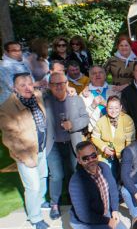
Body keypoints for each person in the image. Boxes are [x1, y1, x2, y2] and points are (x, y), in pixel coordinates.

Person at [0, 73, 49, 229]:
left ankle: (41, 201)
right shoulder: (7, 108)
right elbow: (9, 137)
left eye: (29, 84)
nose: (28, 88)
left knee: (42, 177)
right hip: (26, 153)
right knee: (32, 186)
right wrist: (24, 157)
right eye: (22, 85)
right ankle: (35, 218)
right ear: (15, 88)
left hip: (41, 147)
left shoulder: (37, 96)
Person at [44, 72, 89, 219]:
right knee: (56, 176)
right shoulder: (45, 101)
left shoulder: (76, 100)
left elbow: (85, 119)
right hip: (53, 145)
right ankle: (54, 204)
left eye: (61, 83)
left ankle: (73, 201)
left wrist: (73, 124)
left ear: (67, 84)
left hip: (72, 144)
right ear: (50, 85)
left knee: (72, 173)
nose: (58, 86)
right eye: (54, 84)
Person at [69, 141, 126, 229]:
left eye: (93, 156)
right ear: (79, 160)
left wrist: (115, 210)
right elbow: (84, 215)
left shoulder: (104, 167)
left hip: (104, 213)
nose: (91, 160)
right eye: (85, 158)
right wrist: (108, 221)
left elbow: (113, 190)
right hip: (85, 222)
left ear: (97, 154)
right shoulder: (76, 182)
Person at [91, 95, 135, 179]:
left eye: (116, 108)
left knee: (124, 176)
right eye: (110, 108)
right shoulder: (101, 121)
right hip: (105, 154)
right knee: (107, 176)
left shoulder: (127, 120)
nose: (113, 111)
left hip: (123, 154)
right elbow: (95, 137)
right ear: (106, 108)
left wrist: (125, 157)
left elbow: (130, 141)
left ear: (121, 107)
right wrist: (104, 148)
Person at [81, 66, 119, 134]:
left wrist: (106, 104)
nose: (97, 75)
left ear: (105, 75)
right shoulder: (83, 95)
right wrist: (92, 106)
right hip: (94, 133)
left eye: (100, 72)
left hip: (115, 131)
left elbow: (123, 111)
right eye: (94, 73)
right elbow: (82, 117)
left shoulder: (115, 90)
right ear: (89, 77)